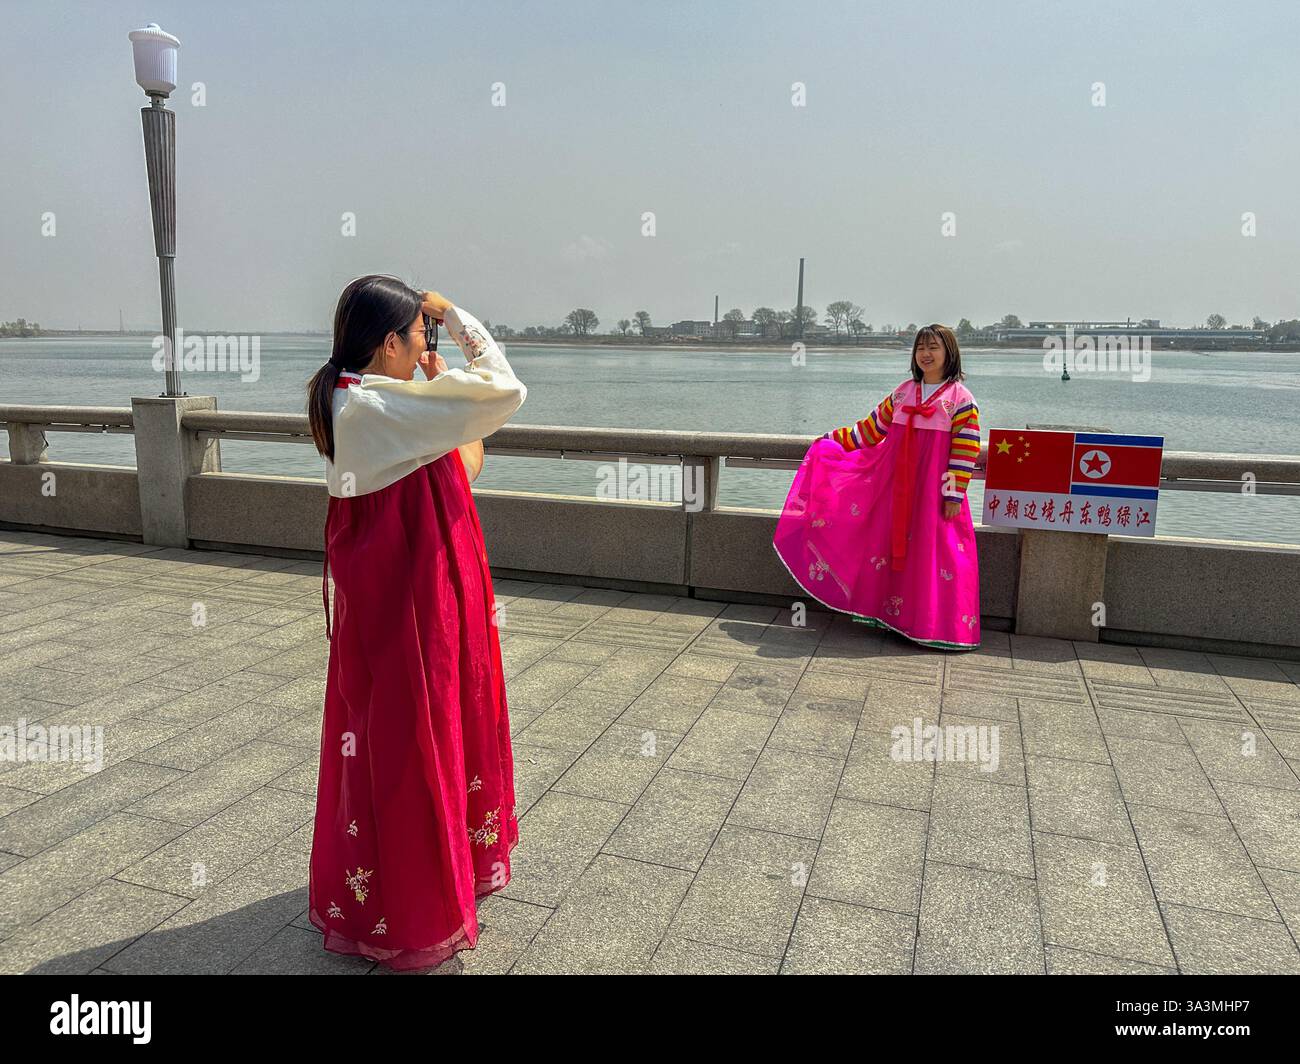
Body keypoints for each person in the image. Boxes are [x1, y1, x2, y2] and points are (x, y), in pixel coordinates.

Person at [303, 274, 527, 970]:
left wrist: (437, 382)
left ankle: (416, 876)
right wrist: (457, 316)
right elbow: (505, 391)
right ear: (389, 343)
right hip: (413, 601)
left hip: (411, 592)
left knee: (400, 732)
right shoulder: (378, 409)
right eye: (417, 334)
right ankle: (409, 902)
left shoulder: (361, 401)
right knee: (411, 741)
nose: (423, 345)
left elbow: (468, 455)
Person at [772, 324, 982, 649]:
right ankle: (891, 617)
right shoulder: (902, 393)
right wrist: (830, 441)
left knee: (934, 554)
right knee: (886, 550)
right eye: (921, 348)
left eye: (934, 347)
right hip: (893, 489)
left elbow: (965, 449)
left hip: (932, 494)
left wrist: (953, 493)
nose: (926, 354)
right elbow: (868, 431)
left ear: (950, 353)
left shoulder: (960, 400)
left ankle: (933, 627)